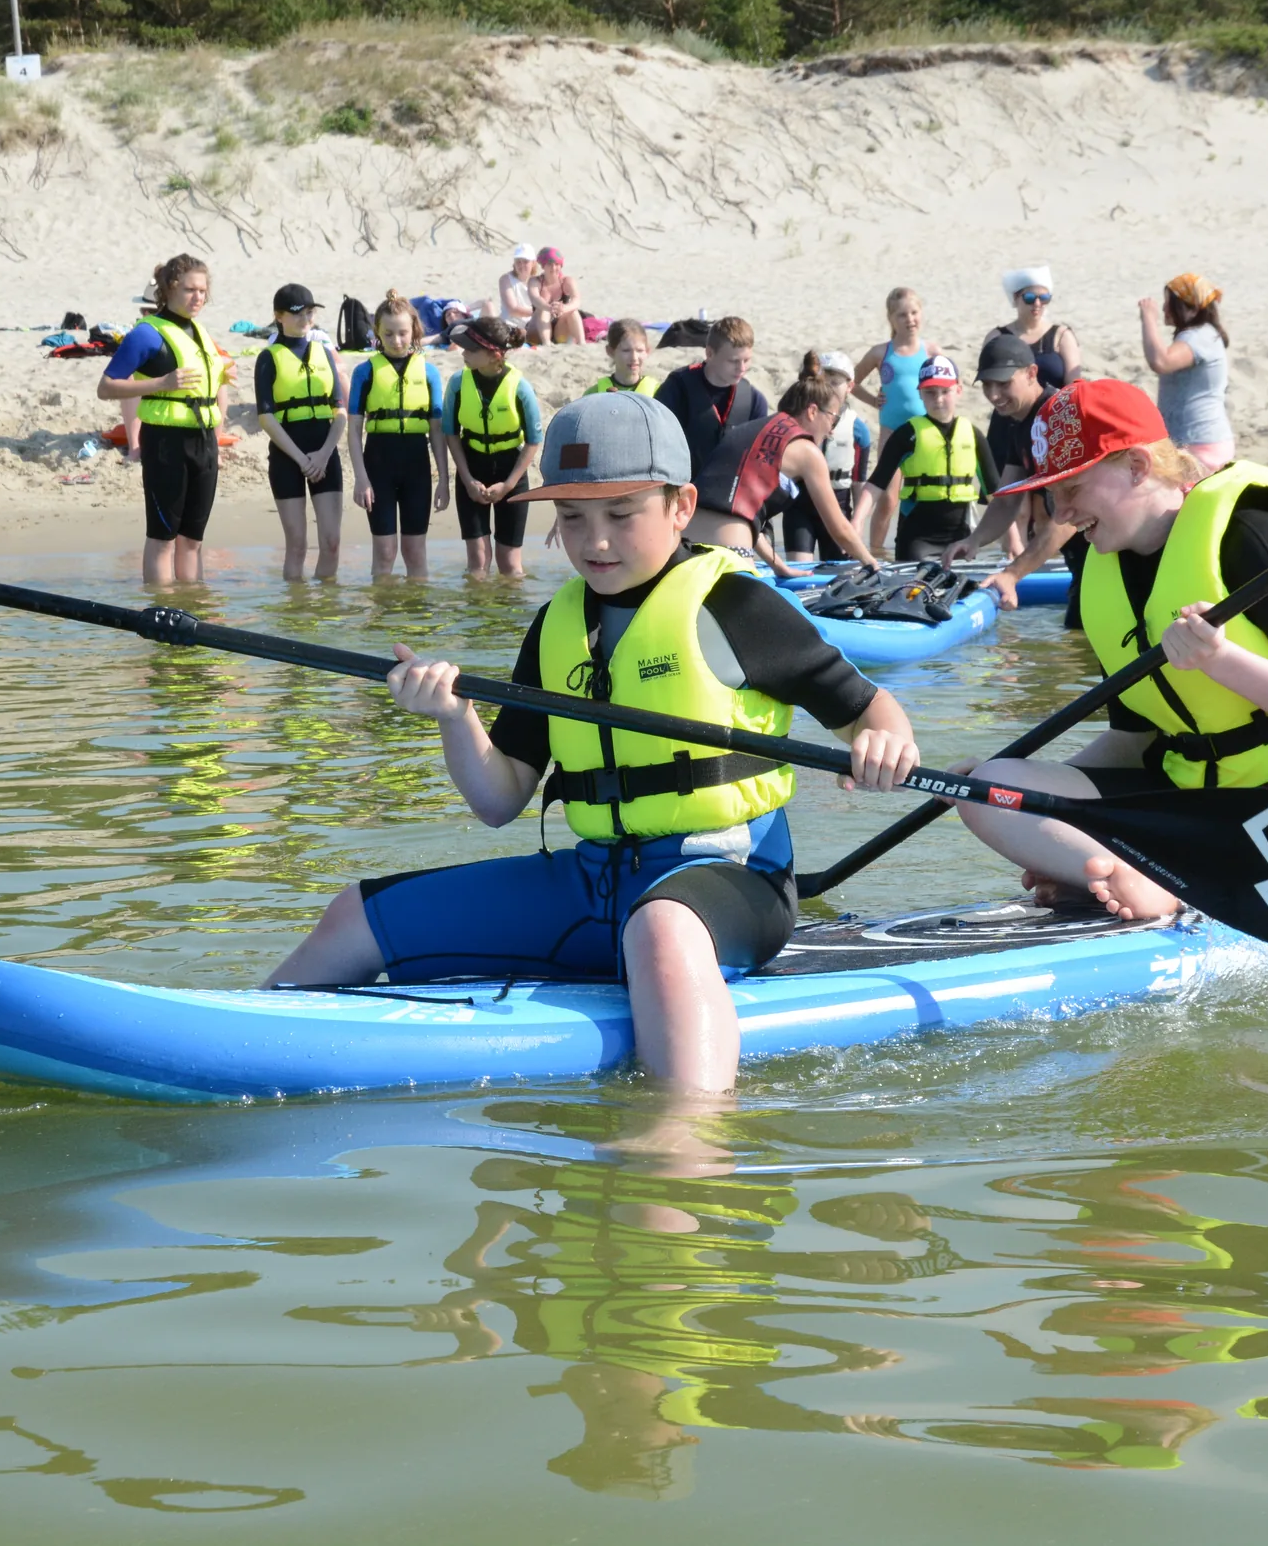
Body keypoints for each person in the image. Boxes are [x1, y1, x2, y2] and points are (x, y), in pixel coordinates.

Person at [260, 392, 921, 1094]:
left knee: (660, 930)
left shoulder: (738, 606)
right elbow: (499, 797)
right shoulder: (554, 626)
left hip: (730, 881)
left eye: (619, 513)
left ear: (680, 503)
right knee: (355, 914)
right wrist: (455, 717)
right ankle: (252, 1037)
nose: (594, 540)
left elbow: (872, 712)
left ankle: (686, 1142)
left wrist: (884, 743)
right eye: (572, 517)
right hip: (590, 882)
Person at [950, 379, 1268, 923]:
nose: (1062, 513)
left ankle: (1155, 882)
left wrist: (1222, 661)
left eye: (1072, 489)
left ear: (1137, 467)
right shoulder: (1106, 570)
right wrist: (1034, 803)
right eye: (1052, 495)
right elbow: (1132, 742)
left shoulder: (1253, 531)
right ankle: (1128, 873)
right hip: (1193, 802)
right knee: (989, 788)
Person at [98, 253, 236, 586]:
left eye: (203, 291)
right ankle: (161, 619)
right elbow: (106, 387)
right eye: (191, 289)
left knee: (193, 540)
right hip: (165, 443)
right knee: (163, 538)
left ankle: (194, 611)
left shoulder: (200, 333)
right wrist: (163, 383)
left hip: (203, 442)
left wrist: (220, 378)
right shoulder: (147, 334)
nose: (198, 297)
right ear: (171, 288)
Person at [689, 353, 878, 579]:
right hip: (731, 546)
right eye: (833, 419)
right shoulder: (808, 453)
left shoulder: (753, 431)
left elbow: (740, 510)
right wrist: (873, 564)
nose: (831, 430)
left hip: (685, 538)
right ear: (812, 411)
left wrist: (778, 565)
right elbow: (840, 529)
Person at [952, 332, 1083, 621]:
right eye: (987, 385)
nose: (994, 395)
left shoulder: (1058, 418)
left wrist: (1012, 574)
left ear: (1031, 373)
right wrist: (975, 541)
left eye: (1003, 383)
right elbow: (1006, 500)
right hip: (1082, 565)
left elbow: (1071, 519)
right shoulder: (1020, 424)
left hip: (1108, 559)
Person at [348, 292, 450, 579]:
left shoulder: (429, 372)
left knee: (415, 553)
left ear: (414, 331)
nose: (396, 340)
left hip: (416, 467)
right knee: (385, 553)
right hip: (378, 466)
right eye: (388, 334)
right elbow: (354, 430)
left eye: (403, 333)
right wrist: (360, 477)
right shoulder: (364, 372)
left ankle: (418, 621)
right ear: (377, 333)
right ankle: (381, 620)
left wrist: (444, 479)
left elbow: (437, 431)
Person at [255, 282, 349, 580]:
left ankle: (327, 614)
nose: (305, 319)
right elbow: (266, 417)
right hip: (287, 457)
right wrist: (301, 460)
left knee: (332, 542)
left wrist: (322, 455)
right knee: (297, 545)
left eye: (309, 312)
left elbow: (340, 411)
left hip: (325, 454)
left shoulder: (324, 353)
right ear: (278, 316)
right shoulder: (268, 358)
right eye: (296, 313)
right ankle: (295, 618)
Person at [442, 315, 544, 576]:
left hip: (511, 474)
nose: (463, 352)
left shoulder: (520, 387)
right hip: (471, 471)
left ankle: (510, 616)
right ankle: (478, 615)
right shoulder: (457, 384)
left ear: (493, 355)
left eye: (471, 349)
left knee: (509, 563)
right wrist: (467, 480)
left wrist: (508, 486)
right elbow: (451, 434)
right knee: (477, 562)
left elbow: (533, 441)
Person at [864, 354, 985, 565]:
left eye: (945, 391)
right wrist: (856, 524)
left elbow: (997, 493)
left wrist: (1013, 542)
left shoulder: (973, 434)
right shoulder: (906, 435)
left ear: (958, 390)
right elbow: (876, 483)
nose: (938, 399)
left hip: (960, 538)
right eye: (930, 393)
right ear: (920, 394)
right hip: (916, 540)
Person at [779, 350, 873, 562]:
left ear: (849, 387)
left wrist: (857, 523)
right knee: (800, 570)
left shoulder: (858, 429)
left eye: (835, 382)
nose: (829, 387)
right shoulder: (803, 420)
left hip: (838, 505)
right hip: (800, 505)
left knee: (838, 572)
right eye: (824, 380)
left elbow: (859, 482)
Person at [1140, 273, 1233, 472]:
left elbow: (1161, 361)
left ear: (1187, 307)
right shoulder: (1199, 335)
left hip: (1200, 444)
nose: (1164, 308)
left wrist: (1148, 319)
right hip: (1190, 442)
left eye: (1168, 303)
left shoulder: (1200, 336)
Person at [655, 317, 768, 476]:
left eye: (747, 360)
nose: (742, 368)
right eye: (733, 361)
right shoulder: (678, 389)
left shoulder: (754, 400)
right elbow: (657, 442)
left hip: (729, 490)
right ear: (709, 353)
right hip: (685, 485)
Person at [852, 287, 938, 434]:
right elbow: (851, 382)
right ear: (891, 318)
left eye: (914, 312)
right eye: (902, 315)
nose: (910, 319)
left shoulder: (932, 352)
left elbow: (951, 388)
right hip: (890, 428)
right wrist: (873, 401)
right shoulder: (880, 353)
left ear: (921, 313)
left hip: (925, 427)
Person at [994, 266, 1081, 382]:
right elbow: (992, 384)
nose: (1037, 303)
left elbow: (1074, 386)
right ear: (1015, 297)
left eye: (1044, 298)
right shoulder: (997, 337)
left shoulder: (1062, 336)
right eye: (1030, 298)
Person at [584, 318, 658, 398]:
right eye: (626, 350)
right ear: (610, 351)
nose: (634, 357)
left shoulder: (657, 392)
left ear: (647, 351)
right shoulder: (593, 394)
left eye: (639, 350)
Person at [535, 247, 583, 346]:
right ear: (543, 266)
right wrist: (550, 308)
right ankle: (546, 344)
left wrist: (564, 308)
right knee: (542, 309)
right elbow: (535, 298)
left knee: (573, 311)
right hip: (537, 330)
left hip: (559, 331)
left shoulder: (567, 281)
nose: (553, 268)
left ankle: (582, 343)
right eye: (549, 264)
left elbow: (577, 300)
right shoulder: (536, 282)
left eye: (557, 264)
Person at [496, 245, 540, 327]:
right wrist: (540, 310)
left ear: (533, 263)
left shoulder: (538, 281)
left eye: (525, 261)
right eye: (518, 261)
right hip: (509, 326)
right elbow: (513, 310)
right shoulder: (506, 279)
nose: (521, 265)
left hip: (531, 326)